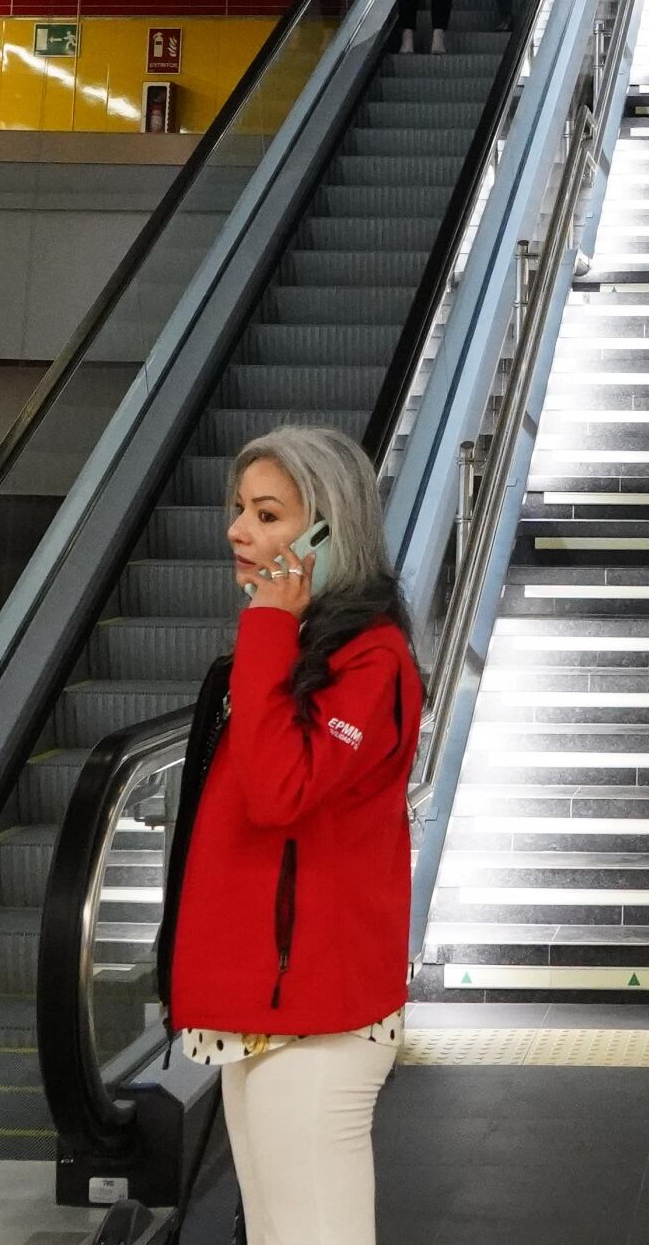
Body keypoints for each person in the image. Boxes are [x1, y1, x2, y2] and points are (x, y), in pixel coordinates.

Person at [155, 425, 424, 1245]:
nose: (238, 531)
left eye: (268, 515)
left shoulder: (371, 661)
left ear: (327, 530)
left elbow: (280, 792)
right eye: (240, 509)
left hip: (318, 1013)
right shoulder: (303, 652)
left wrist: (269, 624)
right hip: (268, 1002)